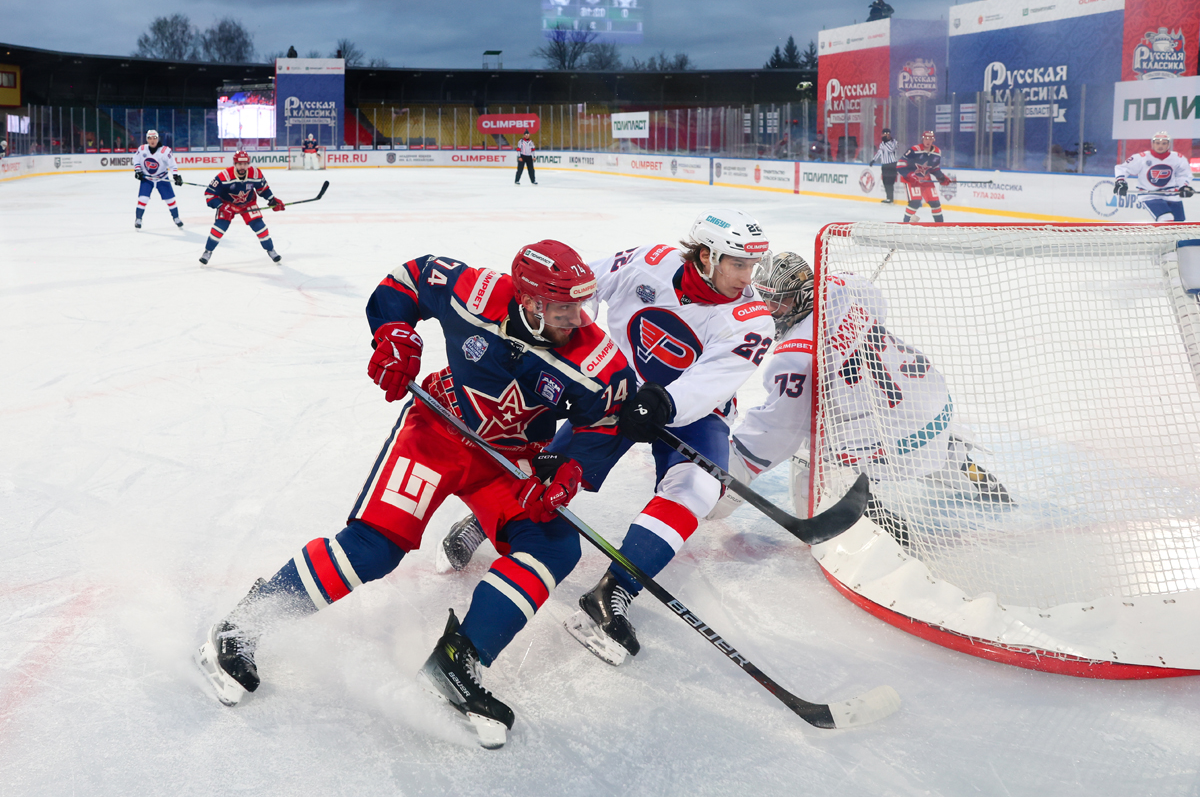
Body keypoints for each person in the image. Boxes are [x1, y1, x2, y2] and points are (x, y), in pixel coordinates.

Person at [194, 240, 637, 749]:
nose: (576, 319)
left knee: (553, 546)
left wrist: (570, 468)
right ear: (529, 300)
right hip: (436, 433)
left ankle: (457, 662)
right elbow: (408, 280)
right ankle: (243, 624)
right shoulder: (475, 292)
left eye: (579, 305)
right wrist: (394, 333)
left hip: (507, 458)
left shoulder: (594, 357)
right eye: (561, 308)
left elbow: (608, 420)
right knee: (374, 547)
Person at [437, 208, 776, 667]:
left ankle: (613, 592)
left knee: (699, 487)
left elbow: (712, 381)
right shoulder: (648, 262)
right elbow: (580, 290)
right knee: (556, 467)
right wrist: (582, 354)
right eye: (738, 264)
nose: (748, 277)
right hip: (617, 387)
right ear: (705, 256)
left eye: (752, 265)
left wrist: (663, 404)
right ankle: (488, 519)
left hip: (692, 411)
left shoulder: (752, 319)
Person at [709, 253, 1011, 539]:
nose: (768, 310)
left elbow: (778, 431)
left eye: (778, 303)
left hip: (887, 432)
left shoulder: (795, 357)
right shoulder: (842, 287)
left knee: (811, 460)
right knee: (895, 426)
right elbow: (874, 299)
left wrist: (732, 473)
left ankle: (869, 523)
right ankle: (958, 464)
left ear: (803, 296)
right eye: (764, 299)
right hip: (930, 404)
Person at [200, 150, 285, 265]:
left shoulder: (255, 173)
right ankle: (207, 251)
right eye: (239, 164)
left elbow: (263, 189)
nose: (242, 167)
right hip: (227, 205)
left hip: (248, 203)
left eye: (245, 164)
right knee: (219, 228)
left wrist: (272, 199)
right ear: (234, 164)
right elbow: (209, 194)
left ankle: (271, 250)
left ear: (248, 164)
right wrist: (221, 206)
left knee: (260, 227)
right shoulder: (224, 176)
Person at [1115, 131, 1195, 222]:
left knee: (1179, 223)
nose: (1160, 146)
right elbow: (1123, 168)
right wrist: (1120, 181)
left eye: (1164, 143)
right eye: (1157, 143)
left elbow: (1183, 174)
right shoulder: (1141, 158)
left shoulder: (1178, 158)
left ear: (1168, 144)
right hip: (1150, 195)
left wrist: (1183, 187)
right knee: (1166, 218)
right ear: (1152, 144)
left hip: (1172, 195)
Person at [895, 130, 952, 223]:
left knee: (935, 203)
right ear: (922, 139)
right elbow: (900, 164)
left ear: (933, 140)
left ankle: (940, 226)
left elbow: (934, 168)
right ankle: (906, 224)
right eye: (926, 138)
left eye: (930, 139)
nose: (928, 141)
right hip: (911, 180)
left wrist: (941, 177)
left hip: (925, 180)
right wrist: (910, 175)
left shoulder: (937, 152)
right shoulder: (914, 150)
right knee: (915, 202)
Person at [132, 129, 183, 230]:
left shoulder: (165, 151)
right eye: (150, 138)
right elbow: (136, 160)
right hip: (147, 178)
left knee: (170, 200)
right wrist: (138, 171)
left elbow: (172, 164)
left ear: (158, 139)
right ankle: (138, 219)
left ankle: (176, 218)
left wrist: (176, 176)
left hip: (162, 178)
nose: (152, 140)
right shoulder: (142, 149)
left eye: (154, 138)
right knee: (143, 199)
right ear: (147, 139)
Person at [870, 127, 898, 203]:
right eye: (884, 133)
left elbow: (891, 150)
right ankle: (888, 197)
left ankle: (890, 198)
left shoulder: (894, 142)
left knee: (890, 182)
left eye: (888, 133)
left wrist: (886, 142)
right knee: (885, 182)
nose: (886, 135)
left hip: (891, 164)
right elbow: (880, 152)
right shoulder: (882, 143)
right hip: (885, 165)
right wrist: (874, 160)